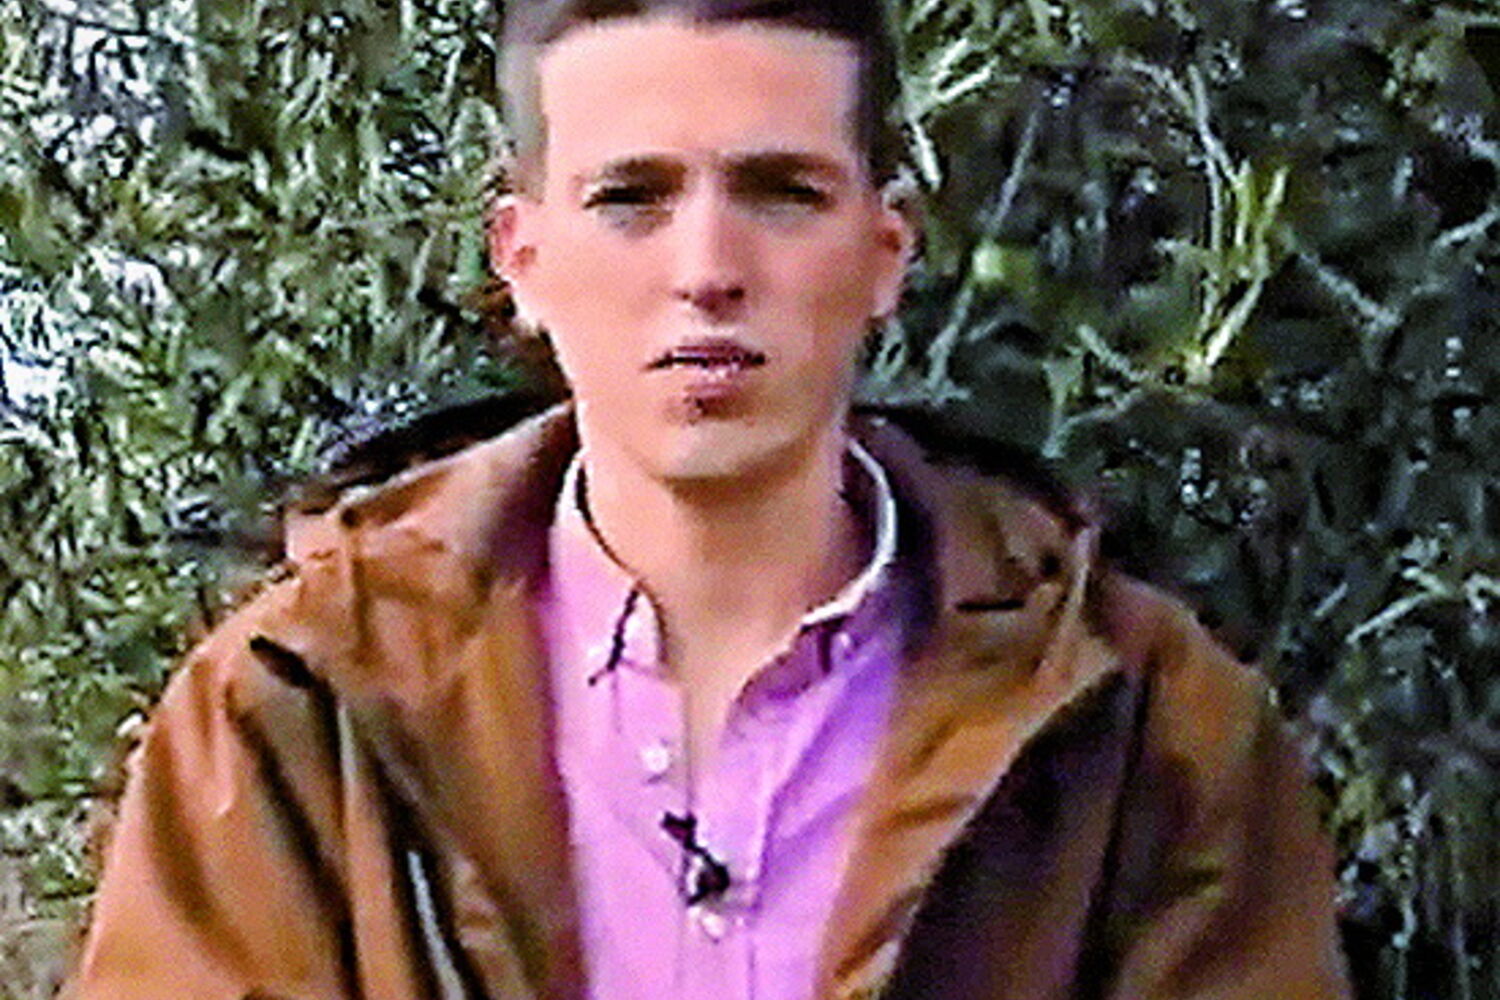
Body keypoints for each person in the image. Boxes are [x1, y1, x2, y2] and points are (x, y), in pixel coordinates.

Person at [64, 1, 1352, 998]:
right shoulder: (297, 713)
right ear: (523, 259)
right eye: (631, 199)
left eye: (782, 194)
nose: (708, 270)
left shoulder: (1145, 728)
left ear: (885, 253)